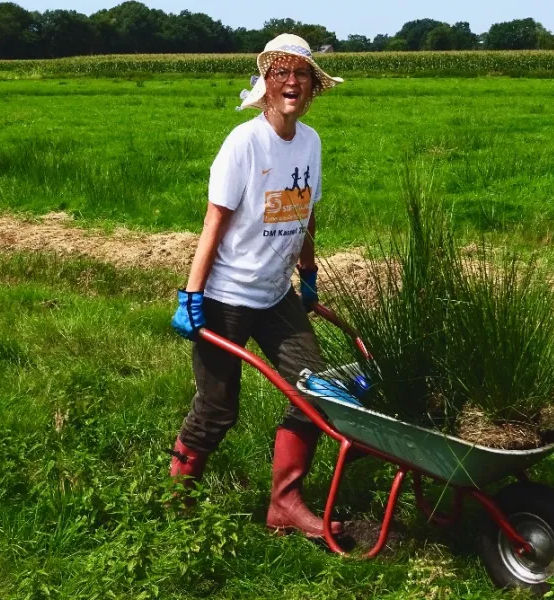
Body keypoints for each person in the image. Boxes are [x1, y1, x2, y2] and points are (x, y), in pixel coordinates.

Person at [170, 33, 343, 538]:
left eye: (302, 74)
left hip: (275, 294)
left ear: (313, 87)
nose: (292, 82)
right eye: (280, 73)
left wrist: (307, 275)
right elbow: (214, 222)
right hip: (225, 296)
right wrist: (191, 294)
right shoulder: (243, 143)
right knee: (218, 408)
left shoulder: (310, 142)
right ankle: (176, 499)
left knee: (315, 392)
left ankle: (285, 505)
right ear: (266, 84)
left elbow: (305, 212)